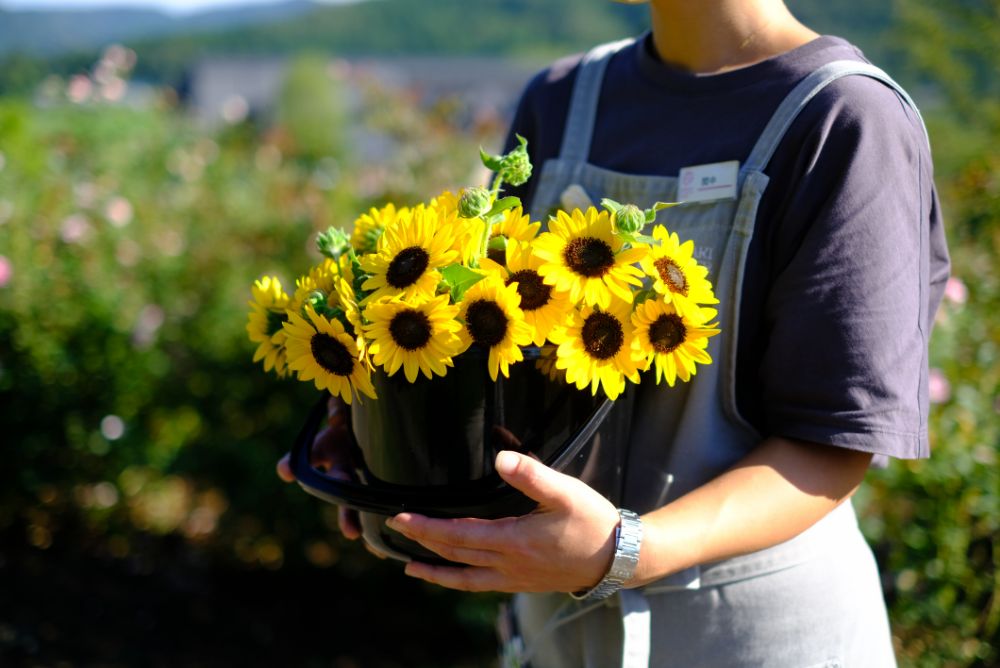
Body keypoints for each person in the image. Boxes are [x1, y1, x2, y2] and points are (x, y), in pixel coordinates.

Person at [279, 0, 951, 665]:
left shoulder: (846, 119)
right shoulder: (564, 98)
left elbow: (833, 449)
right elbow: (491, 350)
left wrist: (625, 550)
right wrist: (391, 456)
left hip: (751, 636)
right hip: (557, 630)